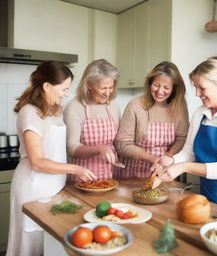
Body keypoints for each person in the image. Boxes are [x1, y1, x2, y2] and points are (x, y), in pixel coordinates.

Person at [6, 61, 96, 256]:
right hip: (33, 188)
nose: (66, 93)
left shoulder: (56, 110)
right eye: (64, 89)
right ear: (47, 86)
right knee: (31, 246)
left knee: (51, 246)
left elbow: (55, 150)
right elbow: (37, 162)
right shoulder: (29, 113)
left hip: (53, 186)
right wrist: (75, 169)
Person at [154, 58, 217, 217]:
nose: (197, 93)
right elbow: (189, 151)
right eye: (195, 87)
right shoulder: (201, 112)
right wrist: (170, 160)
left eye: (202, 88)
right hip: (208, 195)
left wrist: (183, 167)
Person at [114, 61, 189, 178]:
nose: (160, 91)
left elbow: (182, 138)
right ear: (150, 83)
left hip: (166, 171)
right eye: (156, 85)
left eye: (166, 87)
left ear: (174, 88)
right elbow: (122, 144)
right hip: (135, 172)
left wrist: (167, 158)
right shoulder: (135, 105)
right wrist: (152, 159)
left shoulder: (180, 106)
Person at [64, 59, 120, 181]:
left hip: (110, 176)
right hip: (82, 179)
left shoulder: (113, 106)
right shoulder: (74, 107)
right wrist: (99, 149)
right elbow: (71, 147)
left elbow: (117, 142)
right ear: (89, 84)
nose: (108, 93)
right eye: (103, 88)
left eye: (111, 87)